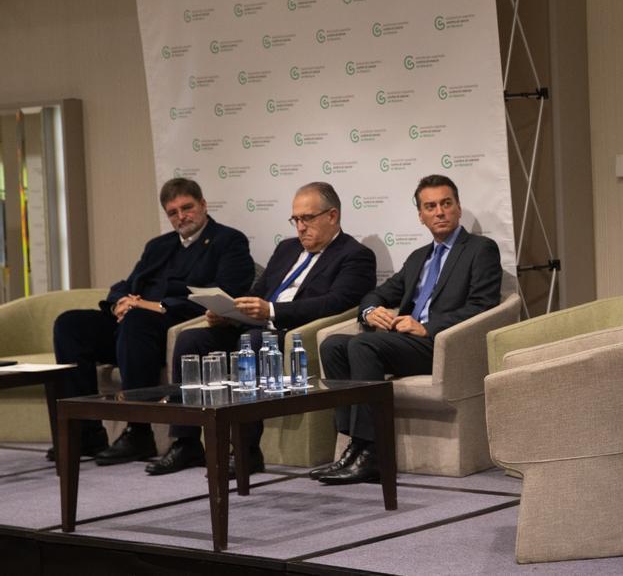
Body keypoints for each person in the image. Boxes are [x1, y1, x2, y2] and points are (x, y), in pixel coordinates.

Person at [145, 182, 376, 475]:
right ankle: (186, 442)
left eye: (308, 218)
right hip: (254, 326)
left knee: (255, 342)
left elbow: (336, 303)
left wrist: (272, 311)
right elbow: (259, 290)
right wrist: (230, 313)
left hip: (290, 334)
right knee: (192, 340)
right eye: (296, 220)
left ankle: (246, 450)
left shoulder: (355, 255)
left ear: (332, 216)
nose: (301, 227)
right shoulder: (286, 248)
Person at [313, 174, 501, 484]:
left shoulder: (480, 249)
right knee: (333, 344)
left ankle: (372, 454)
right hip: (405, 343)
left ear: (457, 208)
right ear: (420, 215)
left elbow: (482, 306)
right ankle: (353, 445)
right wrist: (371, 311)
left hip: (441, 344)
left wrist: (427, 326)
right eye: (430, 206)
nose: (439, 211)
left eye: (446, 204)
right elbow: (378, 294)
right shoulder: (418, 258)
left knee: (363, 346)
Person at [51, 178, 255, 464]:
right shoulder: (158, 246)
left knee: (138, 321)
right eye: (173, 212)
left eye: (187, 208)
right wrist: (118, 304)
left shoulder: (228, 241)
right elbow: (126, 283)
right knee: (70, 325)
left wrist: (150, 306)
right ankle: (87, 432)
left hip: (170, 324)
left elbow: (224, 294)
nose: (181, 217)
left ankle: (139, 431)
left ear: (204, 205)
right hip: (133, 327)